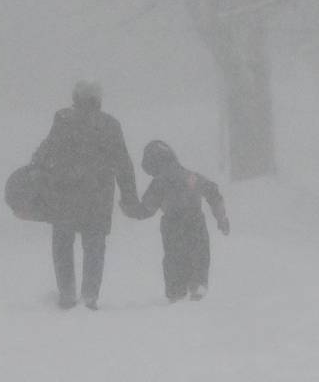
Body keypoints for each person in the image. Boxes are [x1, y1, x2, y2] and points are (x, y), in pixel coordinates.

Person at [31, 80, 140, 310]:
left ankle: (67, 294)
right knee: (94, 247)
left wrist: (33, 175)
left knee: (62, 245)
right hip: (97, 197)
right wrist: (129, 197)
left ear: (75, 98)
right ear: (98, 100)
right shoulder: (110, 125)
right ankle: (90, 296)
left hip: (65, 195)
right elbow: (123, 163)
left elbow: (46, 151)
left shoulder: (63, 120)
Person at [126, 139, 229, 302]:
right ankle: (198, 284)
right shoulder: (191, 176)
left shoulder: (159, 182)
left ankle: (176, 291)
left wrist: (129, 208)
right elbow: (213, 192)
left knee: (174, 258)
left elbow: (146, 209)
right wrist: (221, 218)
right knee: (199, 254)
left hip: (172, 224)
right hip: (196, 220)